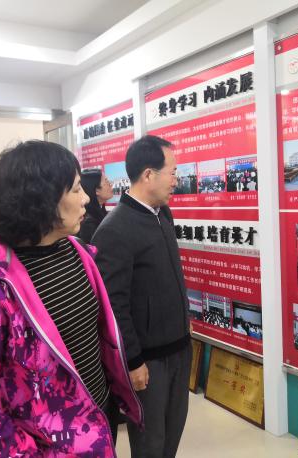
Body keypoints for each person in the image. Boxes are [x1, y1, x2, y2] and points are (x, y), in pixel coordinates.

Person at [0, 141, 143, 457]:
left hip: (98, 421)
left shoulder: (77, 252)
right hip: (44, 443)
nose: (86, 198)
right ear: (41, 198)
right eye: (75, 189)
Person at [92, 135, 191, 458]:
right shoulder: (114, 229)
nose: (176, 180)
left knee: (172, 434)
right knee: (150, 443)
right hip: (148, 363)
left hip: (179, 349)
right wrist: (133, 360)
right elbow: (113, 305)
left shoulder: (163, 214)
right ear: (148, 174)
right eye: (172, 173)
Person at [78, 168, 113, 243]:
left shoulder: (101, 212)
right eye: (106, 181)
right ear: (97, 190)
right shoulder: (88, 223)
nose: (111, 184)